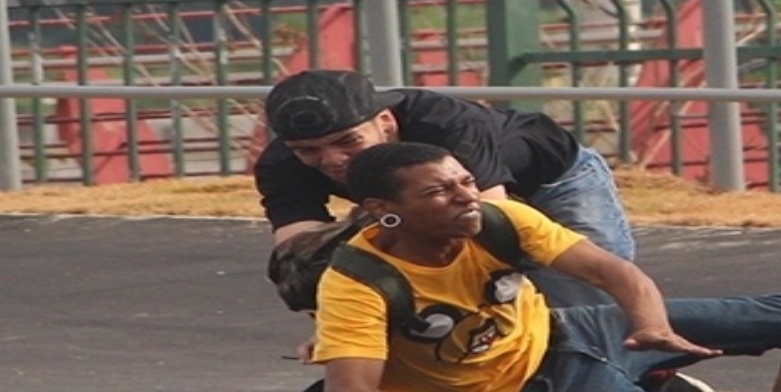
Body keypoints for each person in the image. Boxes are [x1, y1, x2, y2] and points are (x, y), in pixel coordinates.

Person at [309, 141, 781, 392]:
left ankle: (653, 377)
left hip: (579, 332)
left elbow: (611, 270)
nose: (465, 197)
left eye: (466, 181)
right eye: (438, 192)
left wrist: (649, 327)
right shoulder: (358, 281)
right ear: (385, 209)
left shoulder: (498, 221)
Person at [254, 68, 632, 308]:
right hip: (425, 205)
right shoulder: (281, 163)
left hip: (552, 182)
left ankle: (642, 367)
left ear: (385, 122)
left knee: (579, 291)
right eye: (309, 151)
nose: (332, 160)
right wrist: (337, 326)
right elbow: (300, 260)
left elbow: (489, 227)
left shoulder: (446, 124)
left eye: (348, 141)